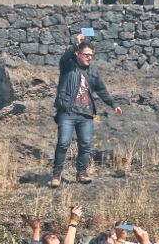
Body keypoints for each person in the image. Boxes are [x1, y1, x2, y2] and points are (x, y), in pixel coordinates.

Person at [50, 33, 122, 188]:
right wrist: (76, 44)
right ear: (78, 54)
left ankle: (81, 174)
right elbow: (66, 55)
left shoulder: (93, 72)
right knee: (63, 143)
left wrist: (113, 104)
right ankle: (56, 175)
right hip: (67, 112)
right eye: (86, 55)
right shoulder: (67, 66)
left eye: (91, 55)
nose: (89, 58)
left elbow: (102, 90)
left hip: (86, 114)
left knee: (86, 144)